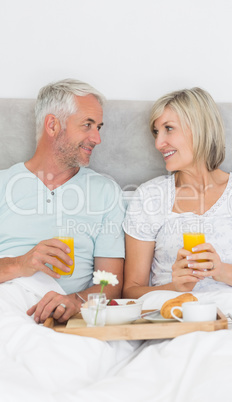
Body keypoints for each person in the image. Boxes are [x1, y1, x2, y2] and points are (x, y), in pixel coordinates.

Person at [122, 87, 232, 299]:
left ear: (200, 129)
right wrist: (176, 287)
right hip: (176, 316)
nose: (158, 143)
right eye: (156, 132)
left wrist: (221, 271)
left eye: (168, 129)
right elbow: (130, 292)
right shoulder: (150, 196)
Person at [0, 79, 125, 323]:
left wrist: (75, 301)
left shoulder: (106, 192)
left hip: (65, 316)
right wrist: (20, 263)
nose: (97, 138)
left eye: (98, 127)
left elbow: (111, 284)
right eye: (87, 125)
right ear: (52, 125)